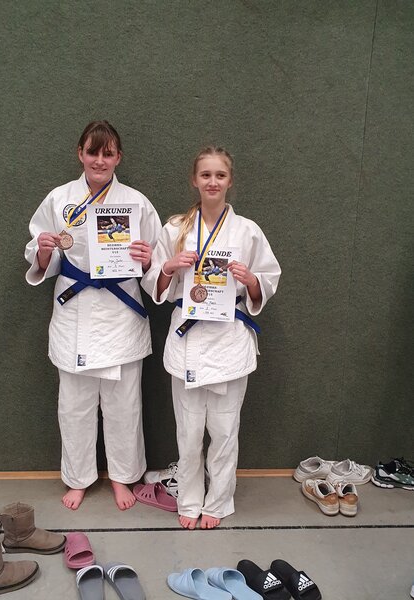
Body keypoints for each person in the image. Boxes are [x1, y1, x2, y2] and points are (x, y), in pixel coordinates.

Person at [142, 146, 281, 529]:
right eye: (206, 175)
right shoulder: (175, 229)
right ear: (194, 180)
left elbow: (268, 278)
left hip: (229, 340)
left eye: (220, 175)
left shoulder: (247, 231)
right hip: (188, 340)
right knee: (187, 434)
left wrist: (252, 281)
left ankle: (218, 502)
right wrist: (169, 267)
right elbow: (154, 282)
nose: (213, 182)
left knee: (224, 432)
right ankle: (189, 501)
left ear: (229, 181)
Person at [25, 120, 161, 511]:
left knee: (124, 406)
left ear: (118, 157)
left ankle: (122, 476)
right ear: (80, 154)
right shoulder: (59, 199)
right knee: (74, 406)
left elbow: (158, 262)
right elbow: (41, 255)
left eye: (107, 153)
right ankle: (78, 478)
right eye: (92, 152)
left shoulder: (136, 203)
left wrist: (148, 260)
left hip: (121, 311)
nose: (99, 160)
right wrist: (44, 249)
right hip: (76, 310)